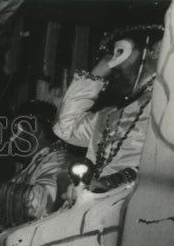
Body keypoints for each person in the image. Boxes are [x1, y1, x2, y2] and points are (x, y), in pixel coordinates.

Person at [54, 23, 164, 193]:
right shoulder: (109, 116)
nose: (112, 64)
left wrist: (114, 181)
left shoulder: (172, 105)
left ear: (156, 50)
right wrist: (95, 74)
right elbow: (66, 128)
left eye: (120, 52)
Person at [0, 100, 73, 235]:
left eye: (16, 131)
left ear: (37, 129)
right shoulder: (26, 170)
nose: (12, 139)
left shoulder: (59, 159)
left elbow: (45, 202)